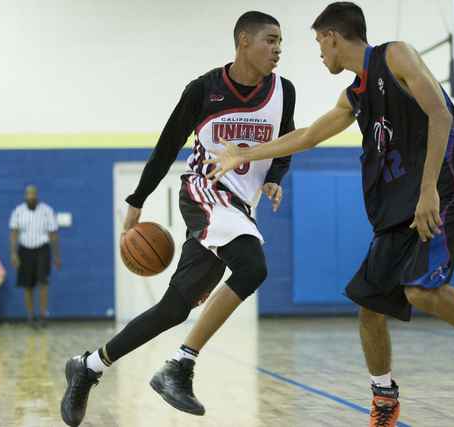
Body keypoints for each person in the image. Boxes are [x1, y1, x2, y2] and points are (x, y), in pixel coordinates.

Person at [204, 3, 454, 426]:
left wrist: (427, 192)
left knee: (420, 290)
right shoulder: (355, 94)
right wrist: (245, 153)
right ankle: (384, 398)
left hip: (447, 189)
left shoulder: (395, 54)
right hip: (399, 209)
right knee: (368, 304)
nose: (318, 53)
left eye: (317, 43)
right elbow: (308, 135)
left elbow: (439, 111)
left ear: (332, 37)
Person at [60, 11, 295, 427]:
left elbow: (287, 140)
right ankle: (180, 367)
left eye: (281, 42)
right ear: (244, 41)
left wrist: (275, 177)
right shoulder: (204, 89)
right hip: (204, 193)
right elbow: (168, 145)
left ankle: (89, 366)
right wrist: (137, 200)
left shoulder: (283, 91)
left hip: (238, 207)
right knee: (252, 266)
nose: (279, 49)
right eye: (270, 40)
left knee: (173, 309)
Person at [9, 185, 61, 327]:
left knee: (42, 282)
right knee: (28, 284)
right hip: (24, 250)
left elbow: (53, 235)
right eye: (28, 193)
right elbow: (14, 233)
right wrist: (13, 253)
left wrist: (57, 255)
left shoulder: (47, 211)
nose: (31, 196)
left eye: (33, 193)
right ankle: (31, 315)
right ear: (25, 196)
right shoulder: (18, 211)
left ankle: (43, 314)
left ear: (37, 195)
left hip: (42, 249)